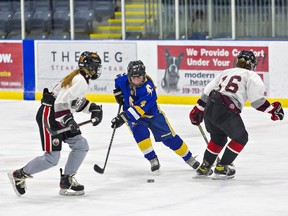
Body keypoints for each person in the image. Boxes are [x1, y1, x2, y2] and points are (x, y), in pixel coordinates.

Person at [8, 51, 103, 196]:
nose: (97, 70)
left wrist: (92, 108)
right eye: (96, 66)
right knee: (52, 158)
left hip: (59, 114)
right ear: (89, 67)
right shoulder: (80, 80)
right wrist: (67, 120)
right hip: (50, 116)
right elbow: (60, 104)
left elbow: (73, 102)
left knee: (81, 145)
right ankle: (20, 174)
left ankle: (67, 179)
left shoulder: (81, 78)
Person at [189, 50, 284, 180]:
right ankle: (223, 166)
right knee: (241, 137)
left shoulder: (226, 72)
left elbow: (207, 92)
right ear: (253, 65)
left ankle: (205, 166)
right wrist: (273, 109)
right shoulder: (252, 76)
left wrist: (198, 109)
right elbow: (256, 102)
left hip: (210, 107)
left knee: (218, 138)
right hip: (225, 110)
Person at [110, 60, 200, 173]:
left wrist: (122, 118)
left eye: (139, 77)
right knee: (140, 133)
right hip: (135, 118)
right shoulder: (123, 79)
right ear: (129, 76)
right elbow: (117, 82)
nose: (136, 80)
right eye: (133, 78)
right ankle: (152, 158)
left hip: (153, 115)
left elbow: (139, 109)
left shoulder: (148, 88)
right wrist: (118, 93)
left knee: (169, 139)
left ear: (144, 75)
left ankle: (189, 158)